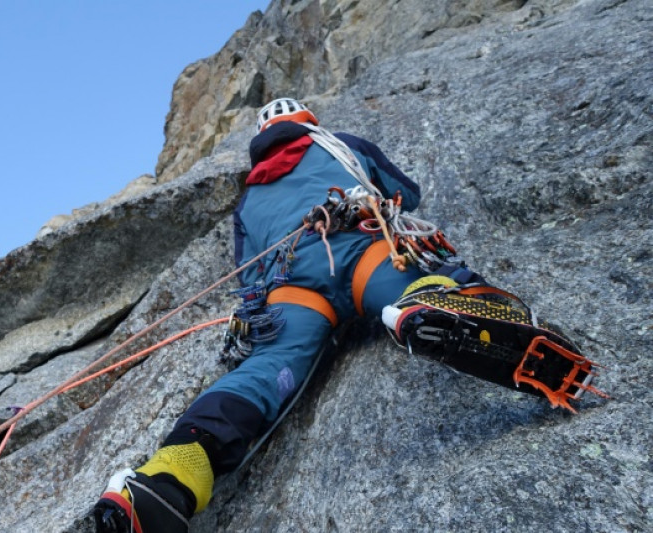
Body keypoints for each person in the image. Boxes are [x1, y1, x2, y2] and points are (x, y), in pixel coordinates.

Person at [92, 98, 603, 533]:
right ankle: (430, 306)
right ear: (306, 119)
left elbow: (247, 276)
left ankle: (168, 479)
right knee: (414, 280)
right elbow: (404, 190)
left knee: (265, 371)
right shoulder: (337, 142)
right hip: (357, 244)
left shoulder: (249, 197)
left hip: (292, 288)